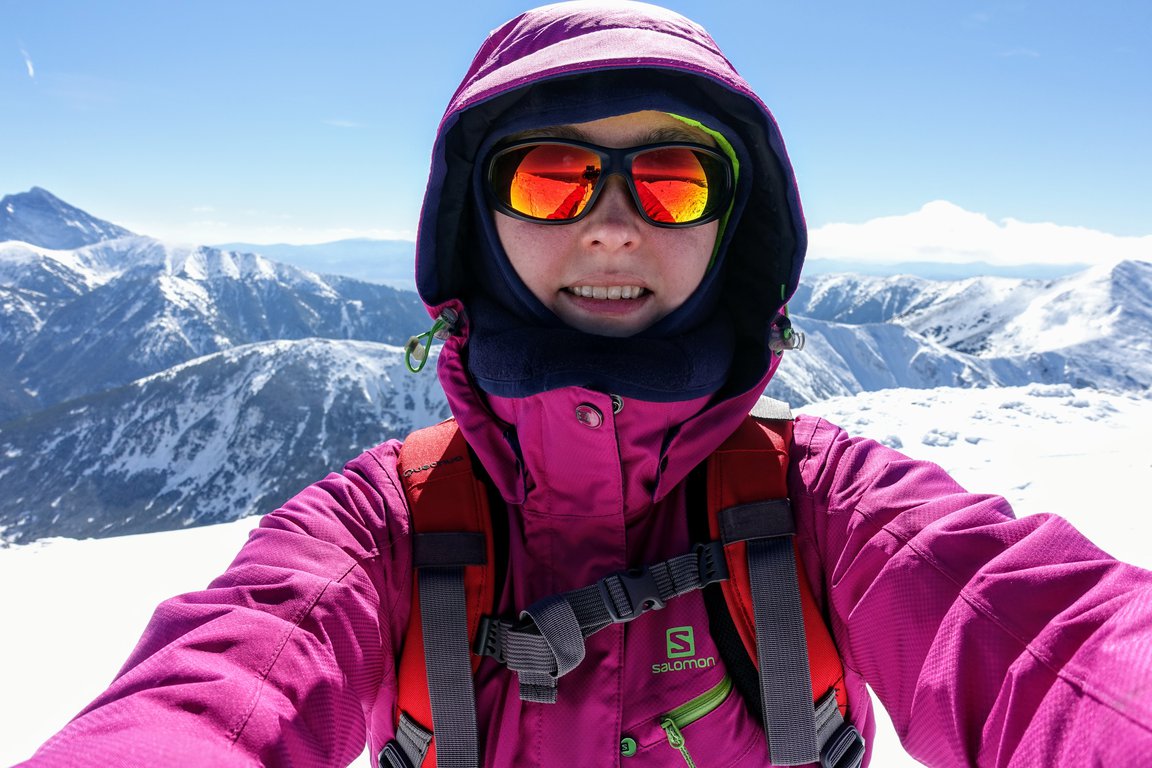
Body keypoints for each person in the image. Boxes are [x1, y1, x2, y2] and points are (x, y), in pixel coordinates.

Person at [18, 2, 1152, 767]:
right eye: (553, 175)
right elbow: (221, 688)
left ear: (732, 230)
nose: (612, 227)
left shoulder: (832, 505)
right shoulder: (379, 525)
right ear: (479, 222)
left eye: (673, 178)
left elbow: (1047, 644)